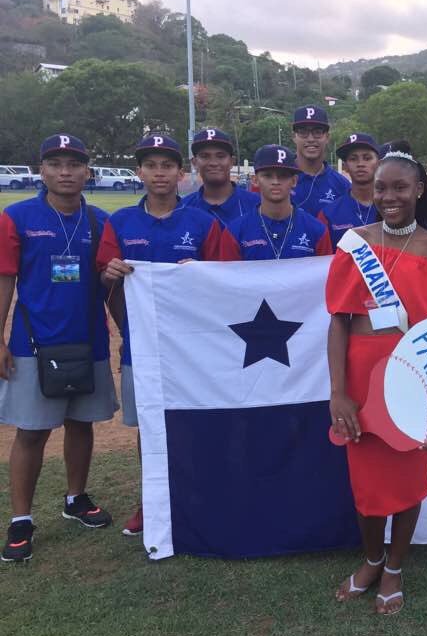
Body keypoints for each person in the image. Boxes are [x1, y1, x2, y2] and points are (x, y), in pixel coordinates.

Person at [327, 149, 427, 615]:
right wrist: (338, 391)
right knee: (367, 485)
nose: (389, 196)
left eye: (400, 187)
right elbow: (339, 322)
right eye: (382, 187)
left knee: (408, 479)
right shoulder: (354, 244)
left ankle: (395, 566)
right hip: (361, 382)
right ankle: (371, 559)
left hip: (413, 382)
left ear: (420, 189)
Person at [0, 134, 118, 562]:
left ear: (87, 171)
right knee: (31, 431)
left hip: (88, 341)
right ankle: (21, 520)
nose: (65, 172)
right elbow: (6, 279)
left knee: (81, 424)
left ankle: (76, 498)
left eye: (74, 164)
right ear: (42, 169)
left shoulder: (100, 221)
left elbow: (110, 281)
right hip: (33, 343)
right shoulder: (17, 217)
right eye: (55, 163)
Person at [96, 134, 221, 537]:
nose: (159, 173)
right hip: (143, 346)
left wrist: (200, 273)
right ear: (139, 173)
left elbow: (226, 283)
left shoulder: (203, 223)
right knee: (149, 424)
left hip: (193, 347)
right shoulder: (121, 222)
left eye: (167, 165)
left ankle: (198, 495)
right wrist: (109, 273)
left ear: (180, 173)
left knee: (195, 422)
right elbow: (102, 280)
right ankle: (151, 501)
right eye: (151, 165)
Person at [219, 145, 332, 260]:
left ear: (294, 181)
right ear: (255, 180)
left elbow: (326, 275)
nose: (276, 181)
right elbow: (227, 276)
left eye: (283, 176)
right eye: (267, 176)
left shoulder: (317, 230)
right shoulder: (235, 231)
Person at [180, 128, 260, 227]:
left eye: (220, 156)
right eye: (205, 156)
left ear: (232, 162)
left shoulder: (258, 205)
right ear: (194, 162)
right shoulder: (181, 208)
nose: (213, 163)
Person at [318, 133, 379, 248]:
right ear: (345, 166)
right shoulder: (328, 214)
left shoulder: (393, 208)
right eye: (353, 159)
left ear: (379, 163)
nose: (360, 164)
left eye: (367, 158)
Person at [291, 104, 351, 216]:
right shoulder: (280, 179)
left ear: (327, 137)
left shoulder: (342, 185)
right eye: (303, 132)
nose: (310, 139)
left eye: (317, 132)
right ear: (294, 136)